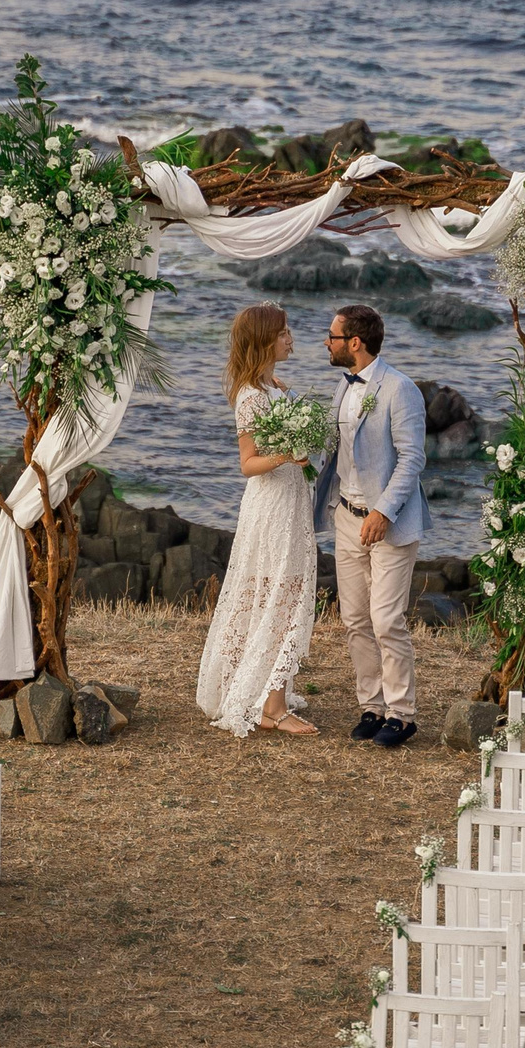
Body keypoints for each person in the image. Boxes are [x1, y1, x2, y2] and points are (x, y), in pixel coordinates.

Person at [194, 303, 321, 737]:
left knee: (283, 593)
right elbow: (247, 463)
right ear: (265, 340)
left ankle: (272, 693)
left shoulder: (273, 387)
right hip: (271, 505)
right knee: (278, 595)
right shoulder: (250, 397)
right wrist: (290, 454)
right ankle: (272, 707)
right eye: (283, 333)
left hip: (291, 499)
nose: (291, 339)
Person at [309, 303, 428, 748]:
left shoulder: (400, 389)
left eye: (332, 335)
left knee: (385, 619)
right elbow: (336, 450)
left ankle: (402, 714)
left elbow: (413, 458)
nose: (327, 342)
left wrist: (383, 511)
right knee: (355, 617)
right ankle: (372, 706)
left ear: (353, 343)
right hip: (346, 517)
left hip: (389, 524)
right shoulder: (343, 387)